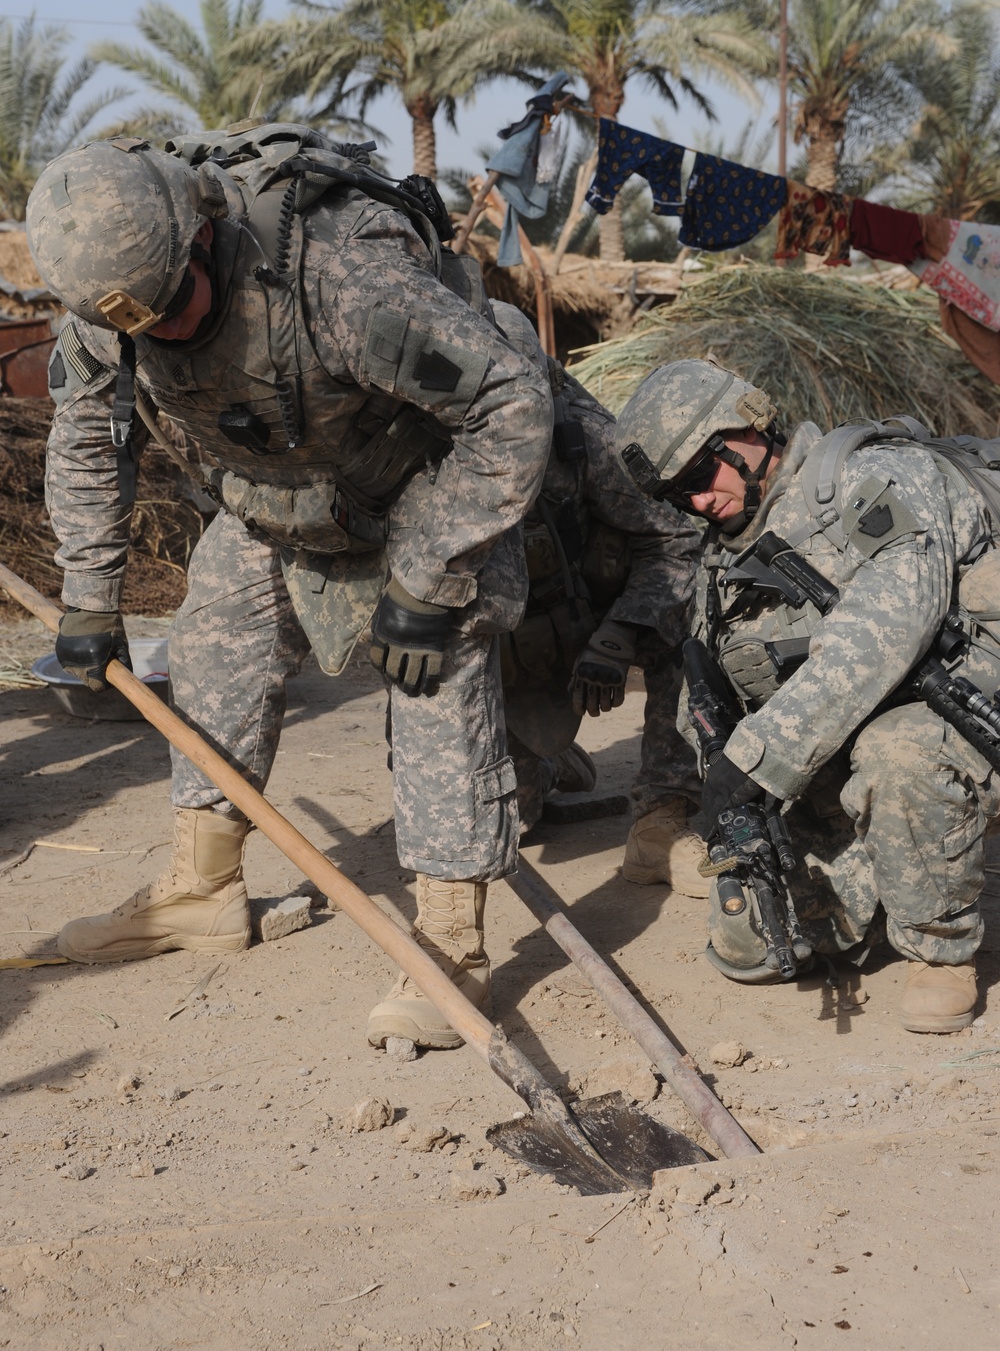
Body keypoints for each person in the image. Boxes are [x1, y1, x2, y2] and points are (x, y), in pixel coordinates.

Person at [26, 126, 552, 1052]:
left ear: (201, 232)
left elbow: (510, 399)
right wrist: (88, 593)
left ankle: (452, 942)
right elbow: (85, 435)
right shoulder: (108, 306)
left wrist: (431, 576)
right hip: (275, 496)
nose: (165, 334)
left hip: (416, 489)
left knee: (431, 665)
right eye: (138, 325)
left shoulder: (341, 280)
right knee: (214, 634)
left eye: (176, 306)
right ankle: (205, 888)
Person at [614, 358, 1000, 1033]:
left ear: (749, 426)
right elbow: (717, 692)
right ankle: (889, 869)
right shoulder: (722, 558)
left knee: (898, 749)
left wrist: (758, 760)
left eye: (704, 473)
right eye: (680, 494)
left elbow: (886, 628)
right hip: (836, 734)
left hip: (965, 699)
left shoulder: (872, 476)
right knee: (752, 947)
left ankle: (939, 950)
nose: (700, 500)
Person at [496, 347, 705, 888]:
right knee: (510, 823)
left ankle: (664, 816)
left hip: (595, 617)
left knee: (695, 612)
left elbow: (678, 539)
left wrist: (621, 632)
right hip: (507, 649)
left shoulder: (586, 441)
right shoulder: (414, 448)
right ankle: (542, 764)